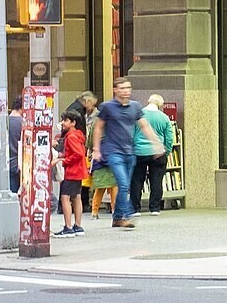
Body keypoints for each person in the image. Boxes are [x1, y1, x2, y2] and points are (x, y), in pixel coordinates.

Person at [89, 77, 156, 229]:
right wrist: (96, 149)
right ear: (115, 90)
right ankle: (127, 213)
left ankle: (117, 218)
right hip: (113, 152)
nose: (126, 91)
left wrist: (156, 143)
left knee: (125, 185)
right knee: (123, 184)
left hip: (129, 152)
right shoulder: (107, 107)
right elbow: (98, 127)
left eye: (128, 88)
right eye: (122, 88)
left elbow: (144, 125)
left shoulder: (135, 106)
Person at [130, 93, 176, 216]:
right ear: (160, 104)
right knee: (156, 180)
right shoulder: (164, 118)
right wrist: (167, 150)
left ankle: (135, 208)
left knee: (137, 181)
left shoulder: (139, 115)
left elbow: (131, 133)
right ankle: (155, 208)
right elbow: (169, 137)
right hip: (158, 152)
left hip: (139, 152)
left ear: (148, 101)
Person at [56, 114, 89, 236]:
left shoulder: (70, 137)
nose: (63, 123)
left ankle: (68, 226)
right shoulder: (78, 136)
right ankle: (78, 225)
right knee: (76, 197)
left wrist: (64, 161)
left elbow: (78, 154)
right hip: (79, 171)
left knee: (65, 197)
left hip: (71, 171)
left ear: (73, 122)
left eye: (66, 120)